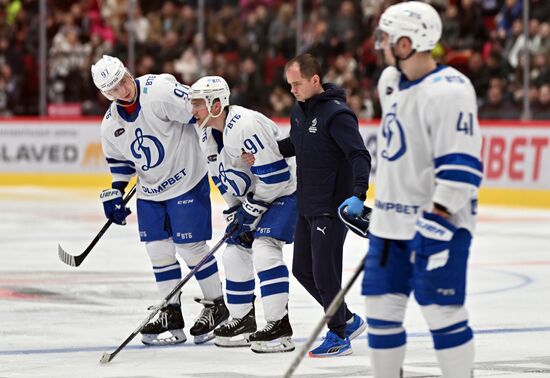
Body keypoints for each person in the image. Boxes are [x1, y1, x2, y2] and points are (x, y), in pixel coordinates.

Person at [364, 2, 482, 377]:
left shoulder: (451, 91)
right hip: (389, 227)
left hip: (436, 224)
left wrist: (440, 214)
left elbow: (461, 167)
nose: (380, 44)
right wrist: (381, 213)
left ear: (406, 42)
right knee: (380, 312)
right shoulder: (390, 82)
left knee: (441, 310)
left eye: (386, 38)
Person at [90, 55, 228, 346]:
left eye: (123, 81)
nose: (122, 90)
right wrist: (116, 192)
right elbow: (120, 163)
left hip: (187, 179)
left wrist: (219, 151)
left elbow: (201, 113)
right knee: (158, 251)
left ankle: (217, 306)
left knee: (191, 248)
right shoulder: (110, 124)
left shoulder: (160, 90)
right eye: (113, 89)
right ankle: (171, 312)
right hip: (150, 192)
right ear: (105, 94)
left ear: (129, 72)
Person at [190, 76, 297, 353]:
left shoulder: (245, 126)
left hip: (289, 191)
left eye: (198, 103)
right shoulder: (205, 132)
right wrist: (235, 211)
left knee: (264, 247)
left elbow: (277, 177)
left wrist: (250, 210)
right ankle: (243, 320)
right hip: (258, 197)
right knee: (234, 250)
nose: (194, 110)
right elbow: (221, 178)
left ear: (216, 104)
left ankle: (279, 326)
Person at [277, 53, 372, 357]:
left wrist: (359, 194)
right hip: (306, 206)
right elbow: (297, 143)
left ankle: (338, 334)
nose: (292, 90)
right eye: (289, 85)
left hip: (332, 208)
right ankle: (346, 317)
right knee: (302, 269)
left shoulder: (337, 114)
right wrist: (268, 150)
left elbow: (359, 154)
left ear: (315, 79)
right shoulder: (298, 112)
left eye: (297, 84)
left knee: (324, 273)